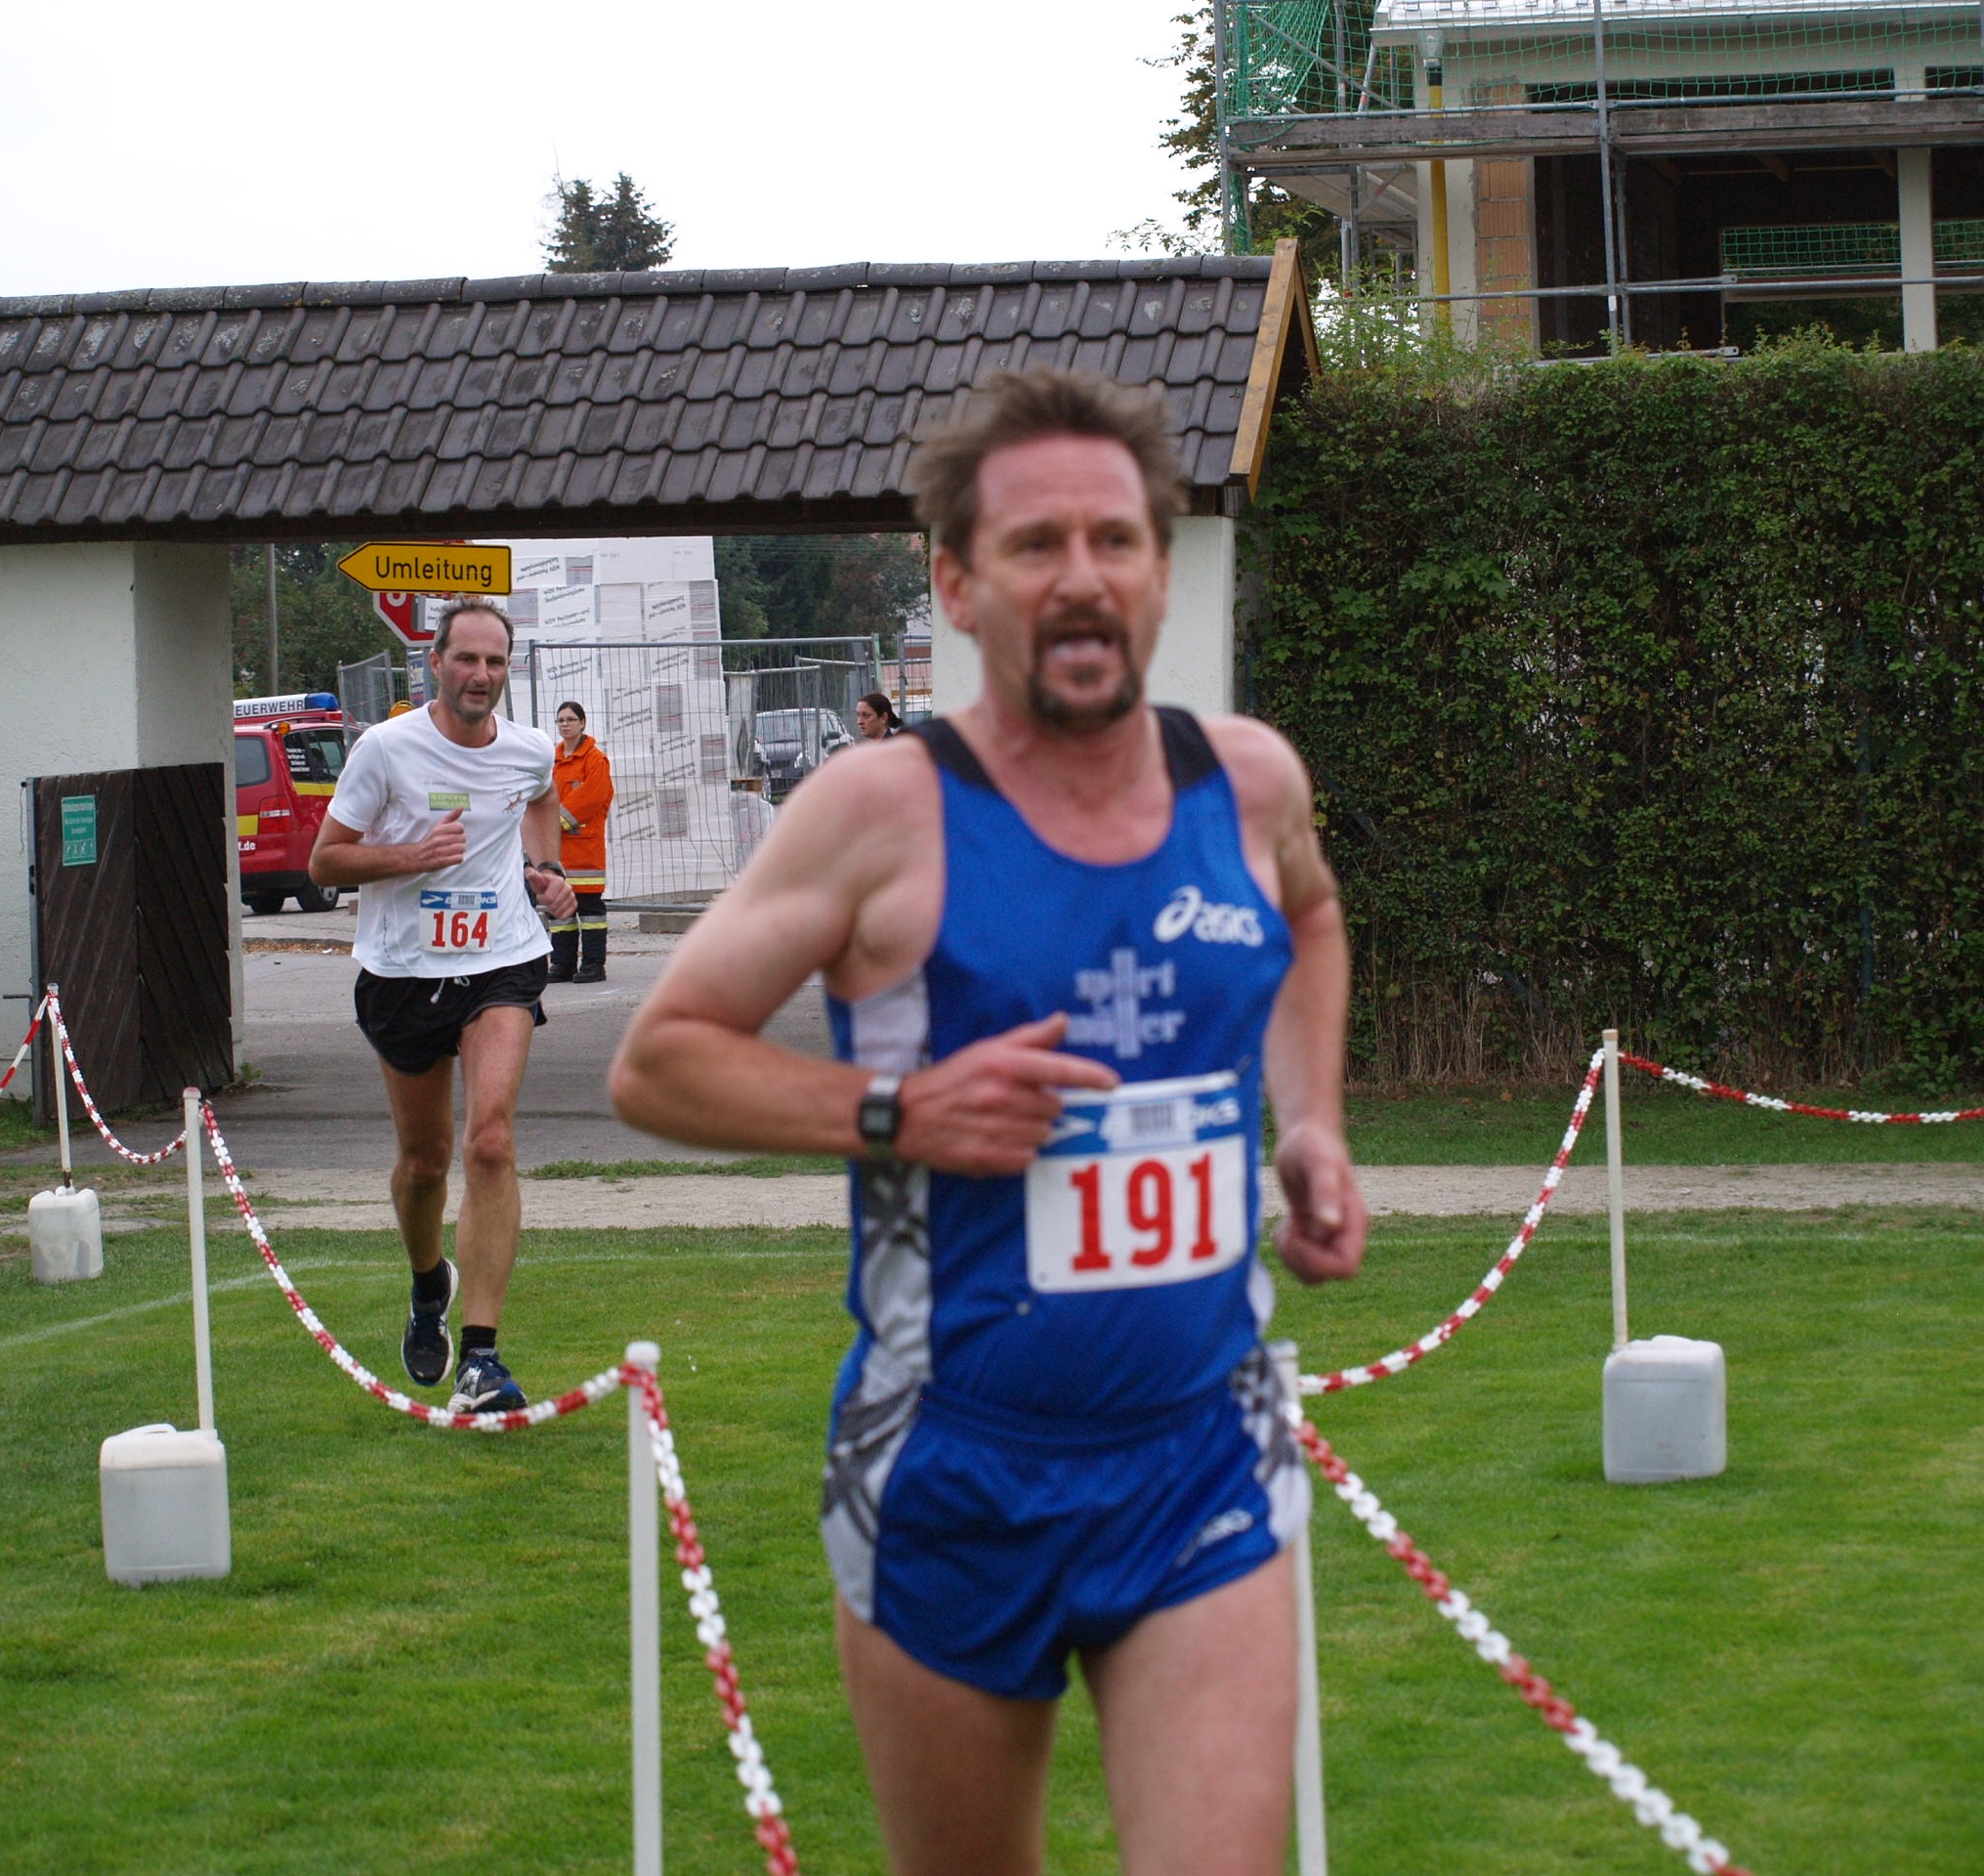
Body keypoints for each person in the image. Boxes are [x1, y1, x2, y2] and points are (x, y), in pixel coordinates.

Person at [611, 367, 1368, 1876]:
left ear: (1159, 571)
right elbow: (659, 1062)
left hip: (1201, 1453)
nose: (1080, 576)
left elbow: (1313, 917)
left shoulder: (1248, 782)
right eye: (1035, 545)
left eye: (1114, 539)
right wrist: (897, 1108)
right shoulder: (880, 812)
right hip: (951, 1468)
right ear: (958, 585)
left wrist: (1312, 1123)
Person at [309, 600, 578, 1415]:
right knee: (424, 1163)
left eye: (495, 662)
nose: (480, 676)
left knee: (489, 1141)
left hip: (502, 962)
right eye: (466, 659)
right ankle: (429, 1283)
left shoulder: (529, 749)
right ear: (435, 662)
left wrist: (546, 870)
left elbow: (540, 798)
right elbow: (325, 862)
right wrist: (410, 856)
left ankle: (482, 1359)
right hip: (402, 973)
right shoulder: (385, 750)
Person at [549, 700, 614, 984]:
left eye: (570, 719)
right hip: (557, 849)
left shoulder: (595, 759)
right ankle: (562, 963)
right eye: (561, 720)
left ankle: (593, 964)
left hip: (584, 848)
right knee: (559, 909)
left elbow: (593, 796)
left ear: (583, 723)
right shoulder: (552, 759)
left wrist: (555, 822)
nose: (565, 724)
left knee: (589, 910)